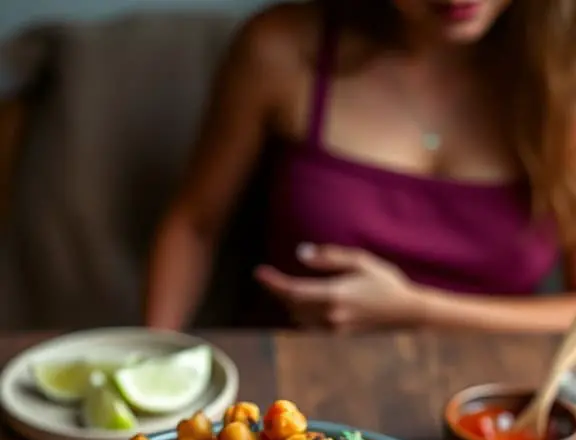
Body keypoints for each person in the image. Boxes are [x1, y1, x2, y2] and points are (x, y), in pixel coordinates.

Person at [146, 0, 576, 333]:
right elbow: (195, 224)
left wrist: (416, 309)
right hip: (293, 386)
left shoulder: (561, 83)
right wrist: (149, 358)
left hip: (494, 404)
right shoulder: (281, 50)